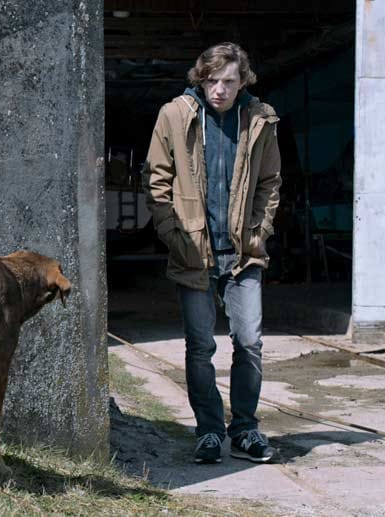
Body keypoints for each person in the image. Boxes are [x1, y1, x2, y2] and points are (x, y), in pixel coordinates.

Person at [145, 42, 282, 464]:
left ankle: (244, 429)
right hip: (193, 252)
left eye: (228, 81)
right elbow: (157, 179)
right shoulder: (174, 115)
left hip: (243, 253)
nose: (218, 89)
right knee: (200, 346)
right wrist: (174, 235)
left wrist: (259, 232)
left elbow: (270, 182)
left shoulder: (260, 119)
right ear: (199, 78)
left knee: (250, 343)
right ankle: (208, 432)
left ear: (243, 82)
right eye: (211, 80)